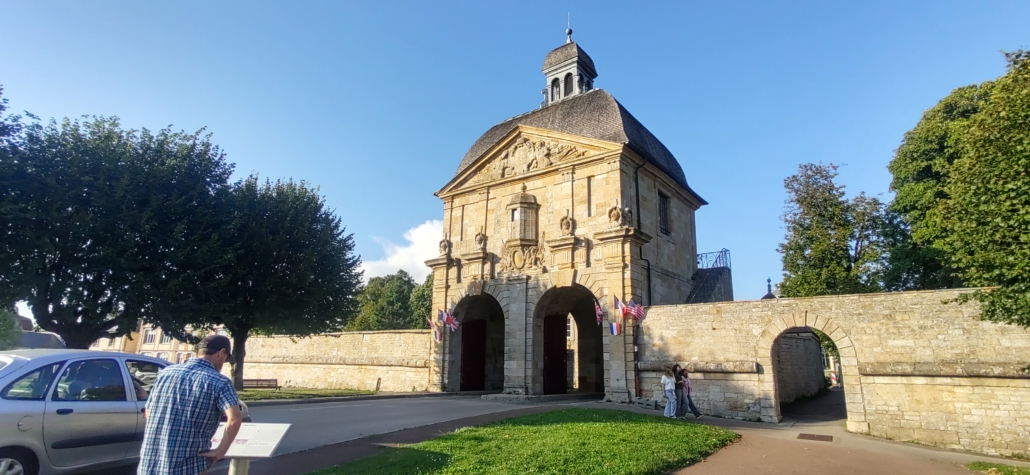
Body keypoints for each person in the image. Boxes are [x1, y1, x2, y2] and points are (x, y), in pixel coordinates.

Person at [138, 335, 243, 475]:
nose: (224, 362)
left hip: (150, 462)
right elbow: (234, 419)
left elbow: (149, 411)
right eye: (225, 358)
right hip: (189, 464)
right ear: (221, 353)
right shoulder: (220, 382)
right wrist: (220, 451)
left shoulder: (165, 374)